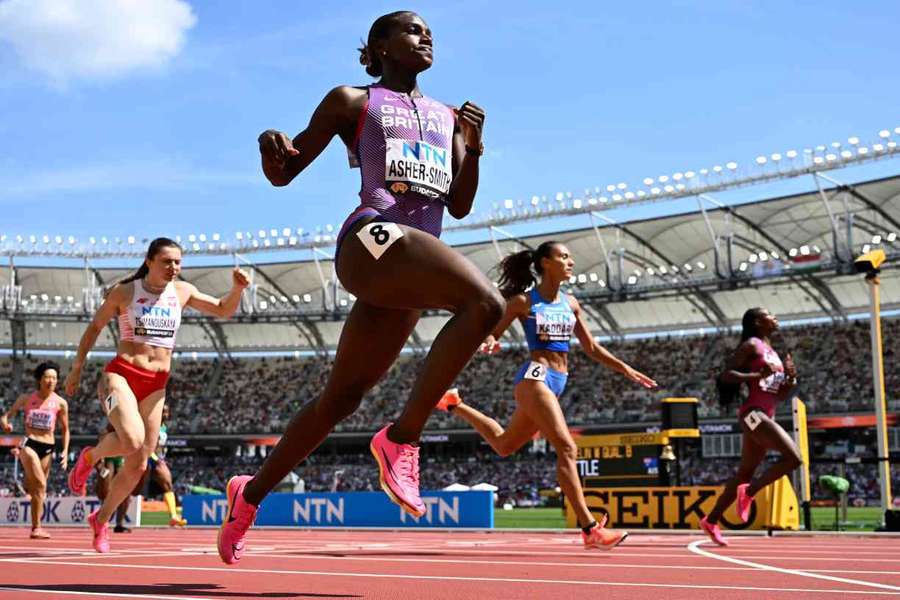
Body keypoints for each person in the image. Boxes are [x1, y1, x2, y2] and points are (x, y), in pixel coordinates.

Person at [218, 10, 500, 565]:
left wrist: (475, 144)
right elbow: (283, 173)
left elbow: (460, 205)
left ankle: (247, 496)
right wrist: (267, 145)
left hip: (408, 270)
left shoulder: (448, 117)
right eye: (413, 31)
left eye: (430, 33)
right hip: (370, 236)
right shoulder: (354, 100)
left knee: (341, 400)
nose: (426, 38)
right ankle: (403, 437)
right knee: (486, 302)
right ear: (379, 47)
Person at [436, 241, 656, 549]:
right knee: (566, 447)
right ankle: (590, 528)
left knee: (504, 445)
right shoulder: (523, 302)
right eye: (563, 256)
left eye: (569, 255)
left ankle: (455, 404)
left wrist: (625, 369)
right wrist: (488, 342)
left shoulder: (572, 303)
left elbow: (591, 348)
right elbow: (492, 332)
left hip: (558, 380)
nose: (571, 260)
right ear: (545, 263)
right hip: (534, 377)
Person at [65, 237, 249, 553]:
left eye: (178, 262)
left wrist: (238, 289)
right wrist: (77, 368)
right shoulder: (126, 292)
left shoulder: (183, 291)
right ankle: (90, 457)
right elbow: (95, 327)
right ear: (149, 261)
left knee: (137, 465)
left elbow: (222, 310)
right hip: (118, 377)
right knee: (132, 440)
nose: (174, 268)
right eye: (167, 261)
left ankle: (101, 519)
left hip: (156, 385)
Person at [699, 307, 801, 546]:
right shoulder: (752, 345)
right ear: (757, 322)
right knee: (794, 458)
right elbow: (725, 375)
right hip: (752, 414)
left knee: (744, 473)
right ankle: (750, 491)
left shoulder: (773, 352)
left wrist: (791, 380)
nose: (775, 317)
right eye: (769, 314)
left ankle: (711, 520)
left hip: (767, 413)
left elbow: (779, 395)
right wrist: (755, 376)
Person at [1, 362, 69, 539]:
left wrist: (65, 452)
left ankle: (35, 527)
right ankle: (37, 527)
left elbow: (66, 430)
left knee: (38, 490)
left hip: (48, 448)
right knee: (40, 485)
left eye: (54, 378)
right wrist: (6, 424)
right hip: (29, 444)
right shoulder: (26, 398)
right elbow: (6, 415)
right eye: (47, 377)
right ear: (39, 379)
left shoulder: (61, 403)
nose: (51, 381)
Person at [135, 404, 186, 527]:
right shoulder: (152, 425)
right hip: (147, 459)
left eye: (167, 412)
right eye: (163, 412)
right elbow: (145, 444)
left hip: (158, 460)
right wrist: (154, 458)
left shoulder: (163, 427)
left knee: (168, 485)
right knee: (135, 489)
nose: (166, 415)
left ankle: (173, 516)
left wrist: (161, 458)